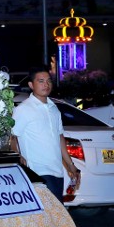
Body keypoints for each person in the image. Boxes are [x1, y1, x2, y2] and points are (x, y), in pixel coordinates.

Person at [10, 65, 80, 203]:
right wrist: (18, 156)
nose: (46, 84)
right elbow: (12, 137)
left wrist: (71, 166)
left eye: (48, 81)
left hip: (57, 171)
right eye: (41, 81)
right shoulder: (24, 109)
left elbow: (60, 138)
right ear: (31, 85)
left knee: (54, 217)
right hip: (37, 172)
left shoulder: (54, 109)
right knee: (47, 217)